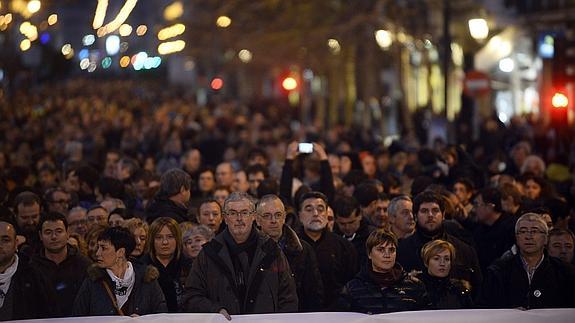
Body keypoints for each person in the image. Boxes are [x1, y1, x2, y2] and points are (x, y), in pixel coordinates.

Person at [183, 192, 298, 319]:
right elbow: (191, 295)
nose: (239, 218)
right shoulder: (209, 253)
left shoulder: (271, 250)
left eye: (244, 212)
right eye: (233, 213)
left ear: (253, 216)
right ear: (225, 218)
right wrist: (215, 310)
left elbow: (288, 297)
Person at [481, 213, 575, 309]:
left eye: (534, 231)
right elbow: (485, 308)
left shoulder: (565, 271)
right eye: (523, 231)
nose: (528, 236)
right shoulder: (498, 271)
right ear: (517, 238)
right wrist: (508, 314)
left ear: (546, 239)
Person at [397, 191, 482, 295]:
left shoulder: (464, 250)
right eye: (424, 211)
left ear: (443, 215)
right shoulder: (402, 250)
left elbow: (478, 290)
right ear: (415, 216)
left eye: (435, 210)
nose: (430, 215)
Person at [73, 227, 167, 316]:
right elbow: (77, 316)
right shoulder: (93, 281)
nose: (97, 253)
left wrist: (144, 321)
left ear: (121, 252)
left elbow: (161, 315)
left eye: (103, 248)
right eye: (98, 247)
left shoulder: (147, 279)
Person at [256, 194, 324, 311]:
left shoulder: (303, 249)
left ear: (284, 218)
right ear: (257, 220)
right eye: (267, 216)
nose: (273, 221)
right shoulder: (248, 251)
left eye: (278, 215)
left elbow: (313, 293)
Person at [338, 230, 429, 314]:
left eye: (391, 250)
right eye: (381, 249)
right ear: (369, 254)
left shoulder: (414, 286)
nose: (387, 255)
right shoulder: (352, 289)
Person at [297, 191, 358, 308]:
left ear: (327, 214)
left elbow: (352, 284)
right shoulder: (290, 246)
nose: (315, 214)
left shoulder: (344, 247)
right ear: (300, 216)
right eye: (309, 209)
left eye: (320, 209)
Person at [30, 212, 92, 317]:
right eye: (48, 232)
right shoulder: (31, 267)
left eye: (59, 231)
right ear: (40, 236)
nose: (54, 237)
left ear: (68, 233)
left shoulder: (84, 265)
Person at [0, 218, 54, 320]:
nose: (0, 245)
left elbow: (49, 315)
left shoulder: (34, 275)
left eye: (5, 240)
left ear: (16, 243)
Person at [145, 217, 192, 312]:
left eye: (170, 237)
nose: (165, 242)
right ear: (152, 240)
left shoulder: (189, 266)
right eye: (159, 237)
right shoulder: (141, 267)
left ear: (177, 239)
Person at [418, 240, 472, 309]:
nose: (442, 263)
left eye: (446, 259)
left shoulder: (460, 290)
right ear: (426, 262)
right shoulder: (417, 289)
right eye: (436, 259)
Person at [332, 195, 372, 266]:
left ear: (360, 216)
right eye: (342, 224)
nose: (347, 227)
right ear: (335, 219)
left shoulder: (372, 237)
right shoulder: (331, 238)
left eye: (351, 222)